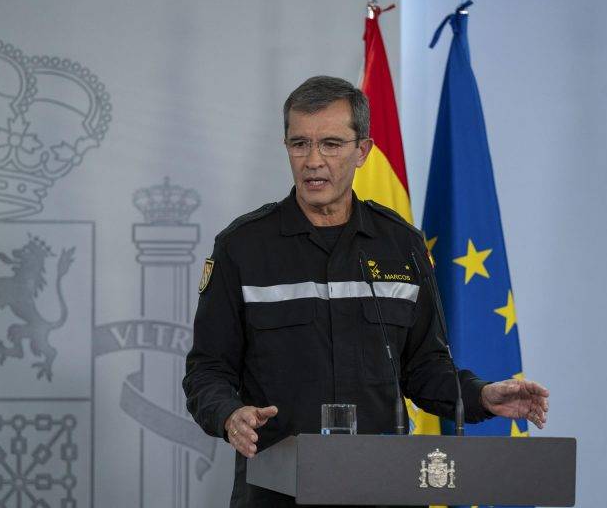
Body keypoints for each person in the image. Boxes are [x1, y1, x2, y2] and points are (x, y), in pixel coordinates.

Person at [183, 75, 549, 508]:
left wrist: (481, 395)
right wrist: (229, 414)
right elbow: (207, 369)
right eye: (300, 144)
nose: (313, 161)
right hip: (276, 491)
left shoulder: (402, 245)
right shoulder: (243, 247)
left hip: (384, 488)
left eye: (331, 144)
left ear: (362, 151)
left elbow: (424, 367)